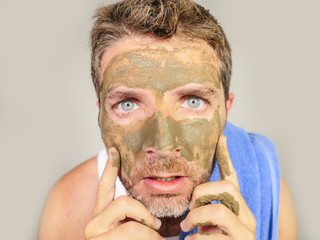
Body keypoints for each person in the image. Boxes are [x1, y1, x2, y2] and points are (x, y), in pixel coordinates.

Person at [38, 0, 298, 239]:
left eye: (193, 102)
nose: (162, 146)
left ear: (226, 111)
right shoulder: (68, 207)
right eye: (128, 104)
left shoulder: (271, 190)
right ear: (101, 115)